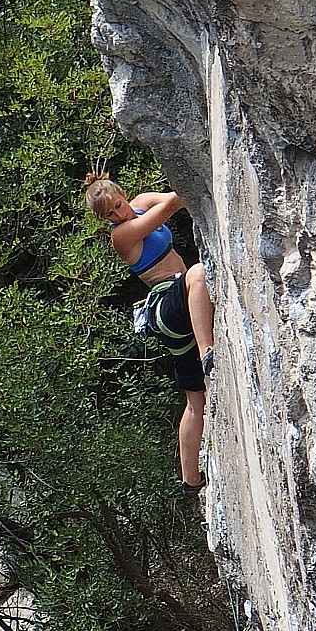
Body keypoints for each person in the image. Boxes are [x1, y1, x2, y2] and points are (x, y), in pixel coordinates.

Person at [83, 172, 214, 496]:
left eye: (117, 205)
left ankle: (190, 481)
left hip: (182, 308)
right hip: (167, 306)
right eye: (109, 215)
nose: (117, 215)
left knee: (195, 401)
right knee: (198, 273)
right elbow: (171, 205)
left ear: (122, 194)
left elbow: (173, 199)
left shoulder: (141, 203)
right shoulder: (122, 236)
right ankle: (207, 353)